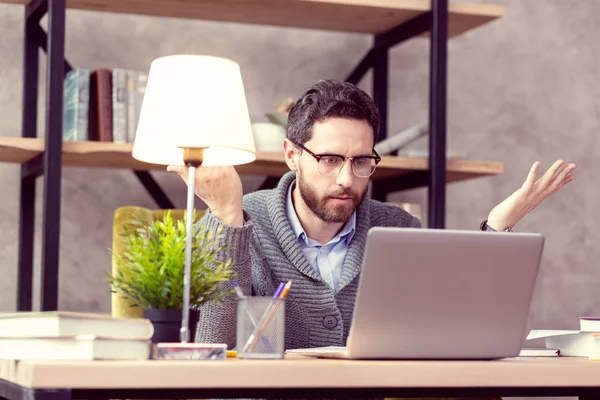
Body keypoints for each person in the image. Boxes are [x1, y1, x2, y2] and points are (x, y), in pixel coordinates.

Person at [167, 79, 576, 351]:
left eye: (362, 161)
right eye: (329, 159)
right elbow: (213, 352)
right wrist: (226, 216)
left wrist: (496, 229)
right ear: (292, 155)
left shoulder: (397, 227)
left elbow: (453, 326)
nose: (347, 178)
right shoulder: (239, 224)